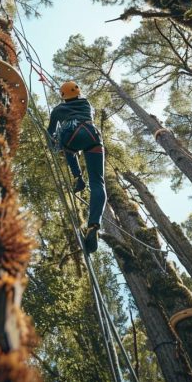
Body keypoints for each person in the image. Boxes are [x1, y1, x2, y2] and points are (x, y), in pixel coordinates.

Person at [47, 81, 107, 253]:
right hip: (92, 135)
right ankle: (94, 225)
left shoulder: (58, 110)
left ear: (62, 96)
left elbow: (50, 132)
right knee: (98, 183)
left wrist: (53, 144)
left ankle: (78, 177)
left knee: (67, 148)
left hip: (72, 137)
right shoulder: (86, 103)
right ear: (78, 92)